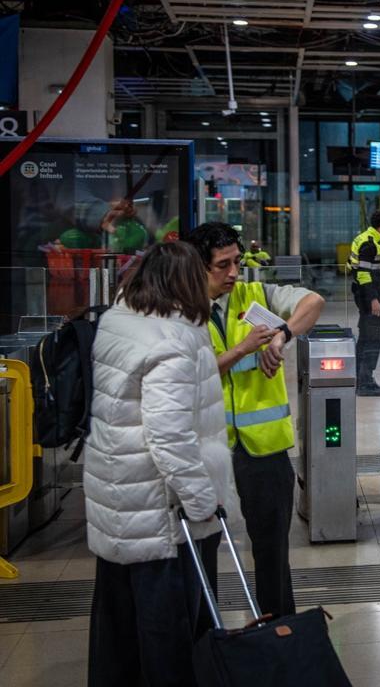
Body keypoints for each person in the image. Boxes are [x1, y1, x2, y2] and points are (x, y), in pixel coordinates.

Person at [85, 242, 232, 687]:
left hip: (118, 499)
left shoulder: (119, 320)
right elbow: (168, 434)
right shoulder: (175, 337)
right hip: (163, 514)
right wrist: (201, 499)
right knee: (166, 635)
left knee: (117, 632)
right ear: (186, 282)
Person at [182, 222, 325, 621]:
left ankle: (279, 632)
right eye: (222, 265)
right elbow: (188, 374)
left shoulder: (255, 295)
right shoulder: (181, 312)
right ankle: (206, 638)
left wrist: (282, 335)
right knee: (202, 549)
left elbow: (313, 302)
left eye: (237, 262)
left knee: (272, 548)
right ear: (197, 267)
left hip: (264, 447)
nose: (233, 273)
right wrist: (242, 348)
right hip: (206, 450)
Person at [349, 211, 380, 397]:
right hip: (368, 294)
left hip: (363, 293)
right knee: (372, 337)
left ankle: (360, 377)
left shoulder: (364, 238)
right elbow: (363, 274)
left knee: (366, 336)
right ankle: (365, 381)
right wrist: (373, 300)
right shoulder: (369, 244)